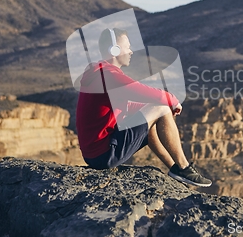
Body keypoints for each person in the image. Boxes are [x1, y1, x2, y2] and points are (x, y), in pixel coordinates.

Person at [76, 28, 212, 187]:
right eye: (127, 47)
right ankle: (183, 167)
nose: (131, 51)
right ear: (114, 50)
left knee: (152, 116)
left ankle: (175, 170)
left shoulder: (100, 72)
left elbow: (129, 104)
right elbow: (144, 92)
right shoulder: (109, 75)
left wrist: (150, 110)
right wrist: (172, 100)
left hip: (95, 153)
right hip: (105, 154)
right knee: (161, 107)